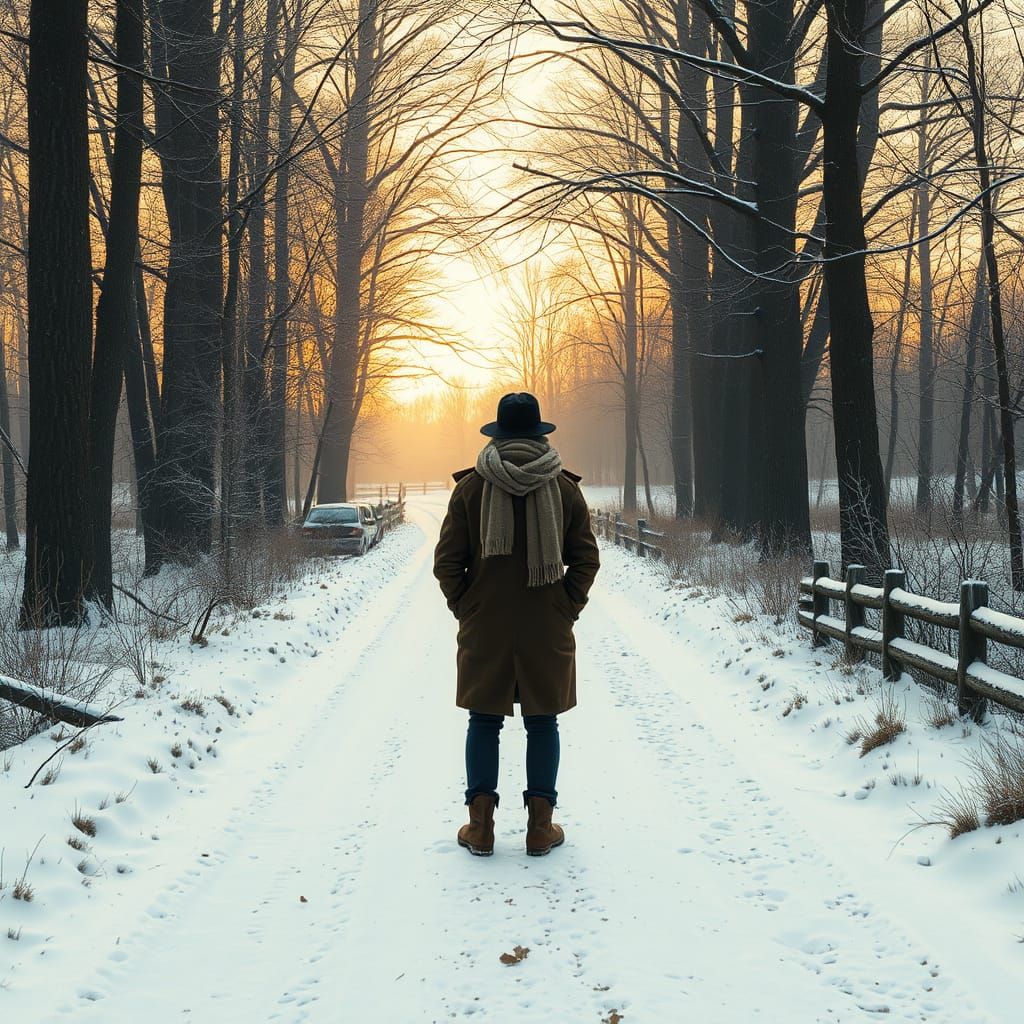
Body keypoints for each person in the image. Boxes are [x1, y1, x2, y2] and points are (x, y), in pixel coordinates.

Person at [433, 392, 600, 857]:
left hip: (485, 626)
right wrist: (564, 607)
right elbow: (586, 560)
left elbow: (447, 564)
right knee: (542, 722)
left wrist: (468, 607)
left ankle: (481, 829)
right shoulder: (564, 488)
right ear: (539, 435)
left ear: (498, 435)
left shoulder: (471, 488)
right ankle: (540, 830)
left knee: (483, 721)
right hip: (546, 627)